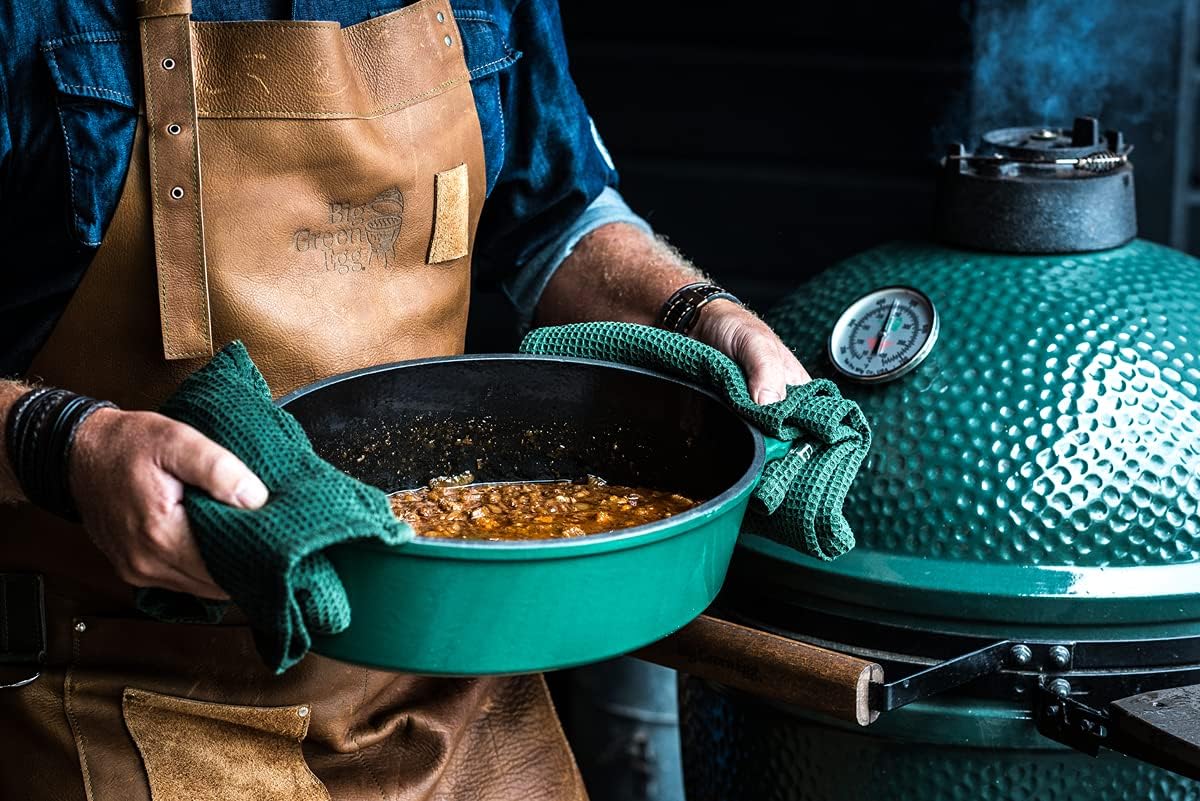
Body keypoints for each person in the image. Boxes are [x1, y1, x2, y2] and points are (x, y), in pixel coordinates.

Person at [0, 0, 809, 798]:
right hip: (134, 690)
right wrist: (64, 443)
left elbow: (557, 215)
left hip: (458, 669)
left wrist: (693, 311)